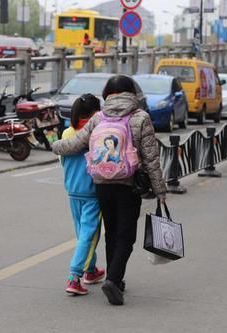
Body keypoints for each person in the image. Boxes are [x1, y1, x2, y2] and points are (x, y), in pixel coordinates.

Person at [53, 75, 167, 305]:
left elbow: (76, 143)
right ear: (132, 92)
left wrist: (54, 145)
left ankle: (117, 279)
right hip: (129, 183)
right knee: (126, 234)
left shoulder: (99, 117)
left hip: (102, 182)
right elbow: (151, 156)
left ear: (107, 94)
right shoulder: (140, 117)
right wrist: (160, 190)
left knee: (112, 232)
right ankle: (113, 280)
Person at [61, 93, 105, 296]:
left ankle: (91, 270)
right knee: (89, 235)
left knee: (83, 234)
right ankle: (74, 276)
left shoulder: (67, 133)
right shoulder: (96, 132)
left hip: (72, 190)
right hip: (92, 192)